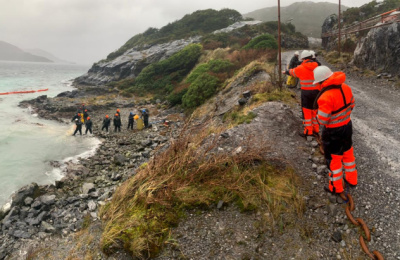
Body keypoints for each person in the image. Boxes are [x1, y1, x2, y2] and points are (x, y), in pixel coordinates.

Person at [313, 66, 357, 194]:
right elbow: (352, 104)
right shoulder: (346, 87)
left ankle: (335, 187)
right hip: (347, 126)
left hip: (333, 132)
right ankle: (352, 179)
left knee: (334, 159)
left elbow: (322, 120)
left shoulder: (325, 97)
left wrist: (317, 115)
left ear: (321, 82)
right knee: (348, 153)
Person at [282, 50, 321, 137]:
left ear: (303, 58)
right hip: (317, 92)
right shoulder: (317, 66)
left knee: (307, 111)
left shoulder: (301, 68)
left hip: (306, 93)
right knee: (315, 110)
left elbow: (292, 72)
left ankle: (308, 131)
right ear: (311, 57)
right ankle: (316, 129)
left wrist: (285, 72)